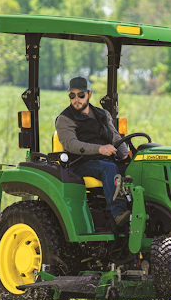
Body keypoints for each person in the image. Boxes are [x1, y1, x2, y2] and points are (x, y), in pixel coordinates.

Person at [55, 76, 131, 226]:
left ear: (89, 95)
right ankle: (118, 214)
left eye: (81, 95)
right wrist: (100, 149)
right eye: (72, 95)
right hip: (80, 163)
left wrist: (126, 157)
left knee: (135, 168)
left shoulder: (102, 114)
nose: (76, 99)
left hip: (105, 159)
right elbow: (71, 144)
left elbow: (115, 137)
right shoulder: (65, 119)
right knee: (109, 168)